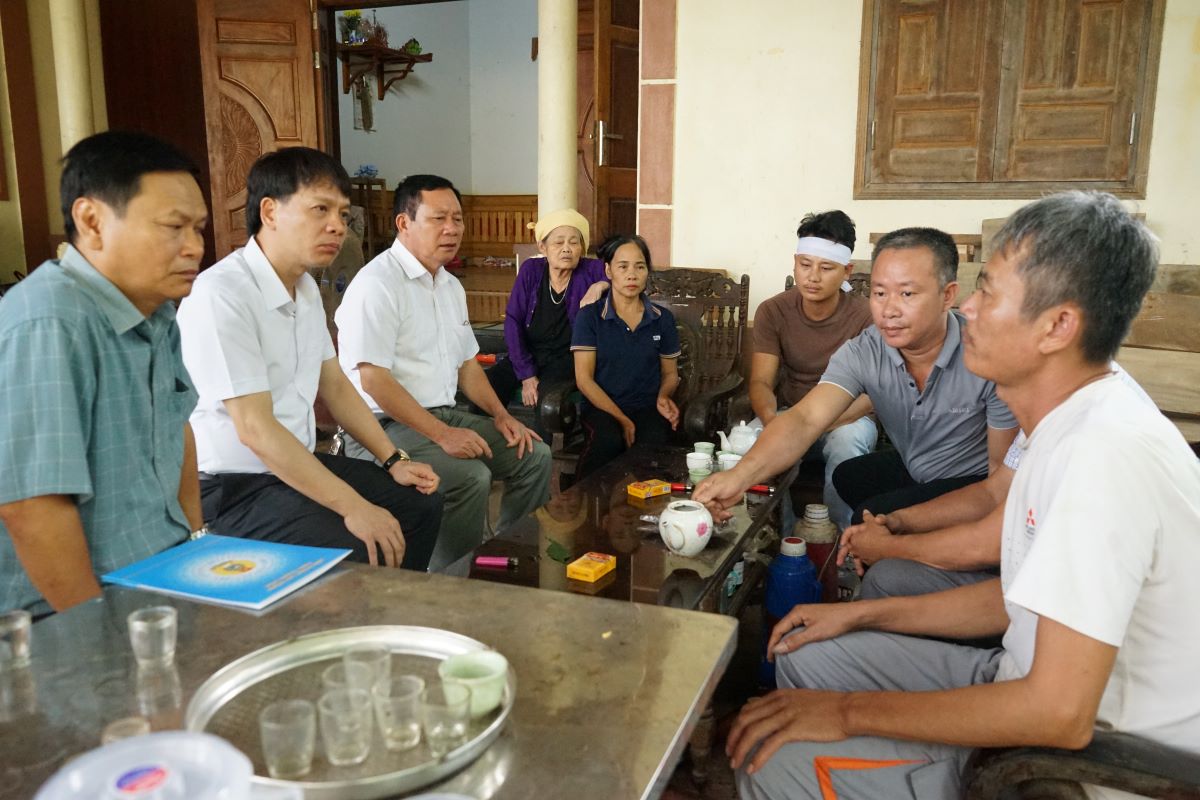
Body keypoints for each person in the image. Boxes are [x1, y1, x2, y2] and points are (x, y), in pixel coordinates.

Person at [724, 191, 1200, 800]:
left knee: (770, 756)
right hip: (1015, 671)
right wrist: (859, 611)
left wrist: (846, 712)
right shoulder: (1065, 420)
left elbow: (1057, 714)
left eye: (990, 293)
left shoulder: (1102, 456)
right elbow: (1015, 602)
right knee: (806, 649)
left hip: (1071, 766)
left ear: (1058, 326)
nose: (969, 309)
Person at [177, 148, 442, 571]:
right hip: (235, 488)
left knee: (418, 504)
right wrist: (355, 507)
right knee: (358, 541)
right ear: (270, 211)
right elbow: (256, 430)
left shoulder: (302, 288)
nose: (337, 226)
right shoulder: (222, 295)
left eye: (341, 212)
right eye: (320, 209)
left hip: (293, 468)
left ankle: (391, 616)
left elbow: (334, 384)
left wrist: (393, 460)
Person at [697, 227, 1018, 554]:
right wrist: (740, 476)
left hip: (977, 482)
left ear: (948, 295)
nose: (889, 310)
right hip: (919, 467)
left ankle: (882, 558)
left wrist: (904, 521)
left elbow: (1000, 484)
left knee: (877, 515)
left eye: (907, 294)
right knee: (850, 477)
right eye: (879, 294)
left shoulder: (988, 354)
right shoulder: (865, 350)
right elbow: (805, 419)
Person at [0, 131, 207, 614]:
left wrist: (198, 552)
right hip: (64, 615)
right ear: (91, 221)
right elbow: (31, 509)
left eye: (198, 228)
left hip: (159, 578)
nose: (194, 247)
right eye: (174, 227)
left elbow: (178, 428)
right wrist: (96, 640)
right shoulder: (50, 321)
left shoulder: (157, 311)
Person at [335, 174, 552, 573]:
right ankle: (451, 580)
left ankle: (507, 558)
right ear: (404, 223)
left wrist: (501, 416)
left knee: (533, 455)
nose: (452, 229)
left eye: (457, 218)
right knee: (470, 477)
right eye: (438, 219)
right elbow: (373, 380)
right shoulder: (376, 285)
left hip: (442, 414)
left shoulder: (449, 285)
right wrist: (442, 435)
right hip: (381, 428)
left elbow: (467, 365)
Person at [749, 210, 877, 532]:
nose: (813, 277)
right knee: (750, 439)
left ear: (847, 270)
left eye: (826, 268)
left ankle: (837, 538)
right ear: (795, 262)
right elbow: (761, 381)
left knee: (847, 443)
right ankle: (781, 535)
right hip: (791, 412)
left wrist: (817, 425)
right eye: (805, 265)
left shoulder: (867, 317)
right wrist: (772, 422)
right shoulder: (773, 310)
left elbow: (874, 394)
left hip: (847, 418)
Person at [485, 208, 609, 435]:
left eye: (574, 242)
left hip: (568, 358)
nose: (566, 249)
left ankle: (542, 460)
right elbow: (513, 321)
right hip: (529, 352)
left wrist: (600, 285)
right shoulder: (531, 270)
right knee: (487, 387)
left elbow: (619, 275)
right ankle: (488, 445)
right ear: (543, 248)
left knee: (547, 401)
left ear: (582, 247)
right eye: (558, 242)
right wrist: (526, 374)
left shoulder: (590, 270)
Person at [570, 234, 681, 478]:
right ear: (608, 271)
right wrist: (622, 419)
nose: (632, 274)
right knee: (607, 440)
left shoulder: (662, 319)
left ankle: (643, 514)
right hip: (602, 408)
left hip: (646, 406)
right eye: (623, 266)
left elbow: (671, 374)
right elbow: (584, 380)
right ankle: (585, 507)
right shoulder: (590, 317)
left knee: (654, 445)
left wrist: (664, 396)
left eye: (639, 267)